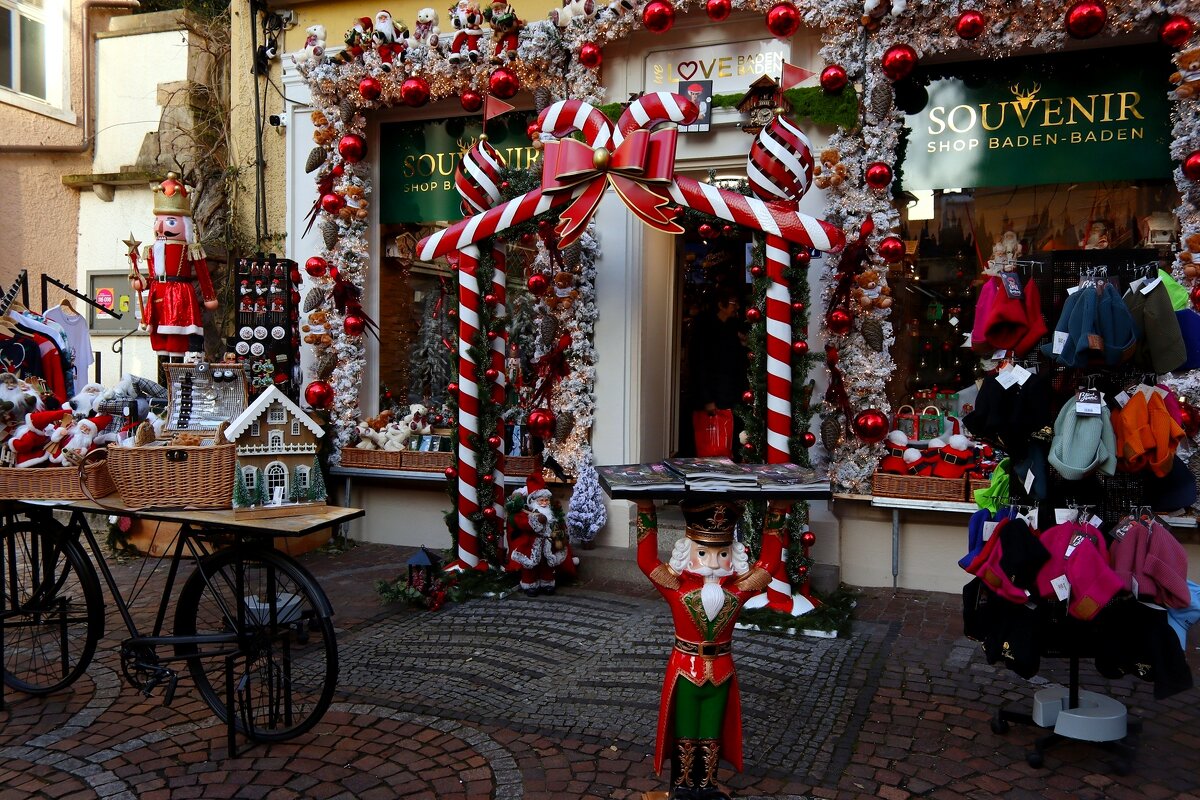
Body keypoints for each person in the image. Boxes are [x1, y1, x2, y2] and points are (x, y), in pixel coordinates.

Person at [635, 499, 784, 799]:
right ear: (687, 554)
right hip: (685, 670)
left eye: (722, 554)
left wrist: (777, 512)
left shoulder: (738, 591)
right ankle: (682, 785)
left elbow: (769, 564)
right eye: (703, 554)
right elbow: (647, 561)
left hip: (721, 672)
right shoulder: (676, 588)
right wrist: (645, 509)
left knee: (712, 730)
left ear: (733, 556)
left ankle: (707, 785)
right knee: (685, 728)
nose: (713, 564)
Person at [131, 172, 218, 355]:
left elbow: (202, 273)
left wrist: (209, 296)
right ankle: (162, 371)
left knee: (176, 340)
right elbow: (153, 276)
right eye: (158, 221)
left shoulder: (190, 249)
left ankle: (175, 371)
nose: (160, 227)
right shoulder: (152, 249)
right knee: (159, 340)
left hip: (179, 294)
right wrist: (142, 283)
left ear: (184, 224)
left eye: (170, 221)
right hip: (157, 294)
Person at [685, 286, 747, 456]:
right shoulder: (704, 328)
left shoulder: (732, 326)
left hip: (730, 394)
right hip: (713, 396)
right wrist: (707, 399)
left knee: (729, 441)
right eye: (733, 303)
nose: (737, 307)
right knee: (712, 444)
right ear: (721, 304)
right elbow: (700, 364)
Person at [506, 472, 574, 596]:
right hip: (531, 544)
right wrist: (537, 521)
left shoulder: (552, 512)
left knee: (547, 565)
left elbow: (558, 524)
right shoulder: (527, 513)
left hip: (548, 544)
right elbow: (522, 523)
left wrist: (561, 533)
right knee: (530, 566)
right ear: (534, 501)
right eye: (541, 500)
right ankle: (530, 584)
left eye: (546, 500)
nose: (544, 503)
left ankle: (547, 583)